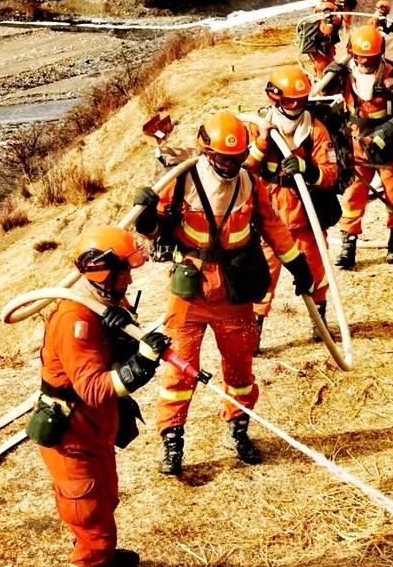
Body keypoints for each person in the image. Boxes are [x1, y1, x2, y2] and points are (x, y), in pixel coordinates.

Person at [132, 112, 313, 476]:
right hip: (191, 293)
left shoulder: (249, 183)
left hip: (234, 290)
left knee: (240, 369)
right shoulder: (182, 180)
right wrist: (146, 217)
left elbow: (273, 226)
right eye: (223, 158)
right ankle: (172, 442)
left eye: (237, 158)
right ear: (206, 151)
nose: (230, 165)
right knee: (180, 372)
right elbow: (156, 229)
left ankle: (238, 429)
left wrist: (298, 264)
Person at [36, 226, 171, 567]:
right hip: (73, 436)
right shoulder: (74, 319)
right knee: (93, 529)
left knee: (106, 497)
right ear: (102, 271)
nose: (130, 279)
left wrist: (133, 338)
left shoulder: (106, 300)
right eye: (125, 272)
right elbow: (95, 389)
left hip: (97, 428)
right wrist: (140, 364)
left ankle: (102, 552)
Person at [246, 65, 339, 345]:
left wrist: (307, 169)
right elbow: (243, 171)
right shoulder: (258, 127)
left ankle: (319, 320)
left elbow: (330, 174)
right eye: (289, 101)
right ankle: (253, 330)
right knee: (262, 277)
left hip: (306, 217)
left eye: (301, 101)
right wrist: (262, 144)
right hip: (269, 219)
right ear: (275, 98)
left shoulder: (316, 130)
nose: (296, 107)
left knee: (316, 271)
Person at [333, 24, 393, 268]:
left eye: (370, 57)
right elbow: (320, 94)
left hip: (390, 151)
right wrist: (330, 70)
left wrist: (387, 132)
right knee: (352, 197)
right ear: (351, 53)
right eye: (360, 56)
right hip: (357, 150)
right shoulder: (344, 77)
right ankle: (348, 245)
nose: (364, 62)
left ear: (380, 54)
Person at [308, 0, 344, 79]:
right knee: (321, 66)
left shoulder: (331, 10)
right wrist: (329, 21)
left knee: (329, 62)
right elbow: (326, 30)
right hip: (319, 45)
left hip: (327, 43)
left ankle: (322, 78)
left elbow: (337, 21)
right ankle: (320, 82)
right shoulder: (323, 10)